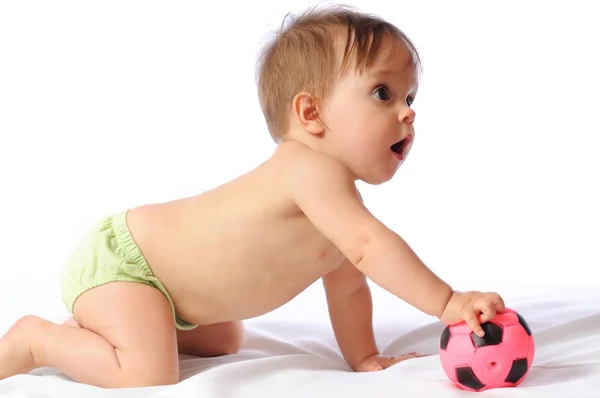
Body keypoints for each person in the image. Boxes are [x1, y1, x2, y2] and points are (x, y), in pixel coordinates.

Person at [0, 4, 505, 388]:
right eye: (383, 93)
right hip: (127, 266)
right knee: (147, 376)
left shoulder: (334, 206)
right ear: (310, 114)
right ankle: (37, 339)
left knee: (224, 339)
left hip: (174, 299)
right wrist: (449, 302)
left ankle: (106, 327)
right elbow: (370, 247)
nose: (408, 112)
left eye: (410, 97)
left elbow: (350, 287)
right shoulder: (305, 169)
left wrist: (364, 357)